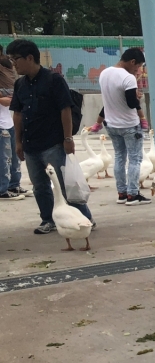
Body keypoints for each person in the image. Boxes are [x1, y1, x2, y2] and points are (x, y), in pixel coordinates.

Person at [7, 39, 94, 233]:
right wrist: (18, 142)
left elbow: (65, 109)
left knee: (65, 185)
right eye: (11, 60)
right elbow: (18, 114)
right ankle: (48, 220)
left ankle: (84, 218)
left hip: (53, 144)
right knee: (40, 187)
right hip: (31, 146)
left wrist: (68, 138)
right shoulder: (20, 84)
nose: (14, 64)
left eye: (16, 59)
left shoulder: (54, 80)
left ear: (30, 58)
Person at [98, 48, 150, 205]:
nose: (138, 70)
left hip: (112, 124)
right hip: (129, 124)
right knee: (135, 159)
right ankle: (133, 195)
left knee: (119, 157)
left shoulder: (104, 73)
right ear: (132, 61)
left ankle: (122, 192)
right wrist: (137, 96)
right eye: (138, 66)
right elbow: (131, 103)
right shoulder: (128, 78)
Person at [0, 54, 26, 200]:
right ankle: (2, 189)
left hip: (8, 123)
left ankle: (14, 185)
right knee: (3, 159)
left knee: (14, 158)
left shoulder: (7, 71)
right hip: (1, 126)